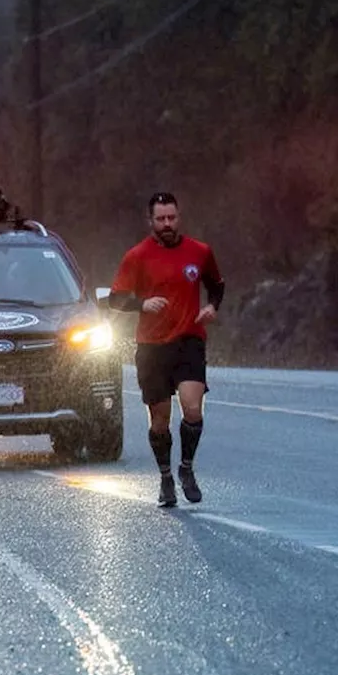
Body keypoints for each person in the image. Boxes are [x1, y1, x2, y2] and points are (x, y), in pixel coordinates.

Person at [108, 192, 224, 508]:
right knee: (159, 421)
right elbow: (116, 298)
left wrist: (212, 306)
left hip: (189, 340)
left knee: (192, 409)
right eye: (161, 219)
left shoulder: (199, 251)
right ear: (151, 221)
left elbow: (216, 284)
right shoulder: (137, 256)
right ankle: (165, 478)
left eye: (171, 218)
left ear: (179, 216)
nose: (167, 224)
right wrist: (142, 304)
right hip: (152, 347)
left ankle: (186, 468)